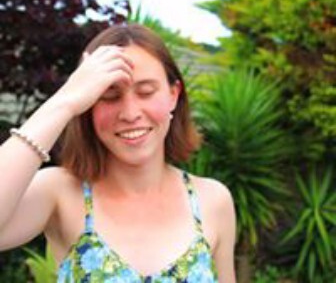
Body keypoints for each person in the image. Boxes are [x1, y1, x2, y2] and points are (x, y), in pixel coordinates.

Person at [0, 24, 236, 282]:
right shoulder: (59, 192)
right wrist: (65, 101)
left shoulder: (213, 201)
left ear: (173, 95)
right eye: (110, 96)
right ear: (88, 104)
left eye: (146, 92)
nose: (130, 113)